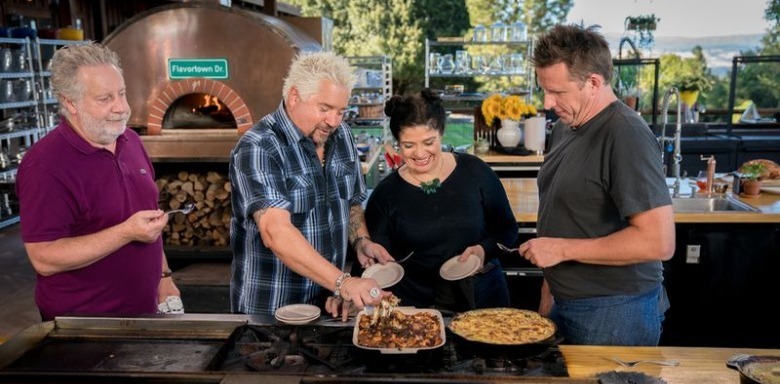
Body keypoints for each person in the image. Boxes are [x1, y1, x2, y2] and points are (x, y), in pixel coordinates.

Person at [520, 24, 676, 345]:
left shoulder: (625, 134)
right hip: (568, 301)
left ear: (593, 82)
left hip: (616, 311)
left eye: (557, 92)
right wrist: (549, 290)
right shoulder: (568, 123)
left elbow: (659, 241)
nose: (548, 103)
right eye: (544, 90)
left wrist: (559, 250)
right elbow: (566, 215)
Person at [16, 42, 182, 321]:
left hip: (144, 314)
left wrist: (164, 277)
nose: (121, 108)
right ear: (70, 103)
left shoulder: (130, 141)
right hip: (84, 326)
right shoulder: (45, 165)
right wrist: (126, 232)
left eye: (122, 93)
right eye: (105, 99)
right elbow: (44, 258)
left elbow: (150, 223)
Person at [229, 51, 391, 319]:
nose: (334, 121)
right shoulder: (259, 146)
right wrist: (345, 282)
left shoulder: (343, 137)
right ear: (295, 97)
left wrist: (361, 240)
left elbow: (351, 202)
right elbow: (275, 232)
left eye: (341, 111)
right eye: (324, 109)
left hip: (330, 303)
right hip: (271, 312)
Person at [358, 89, 519, 312]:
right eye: (408, 145)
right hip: (416, 307)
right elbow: (378, 257)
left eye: (428, 142)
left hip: (483, 296)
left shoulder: (476, 173)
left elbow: (508, 230)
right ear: (397, 142)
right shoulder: (386, 194)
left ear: (441, 133)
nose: (420, 153)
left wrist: (483, 250)